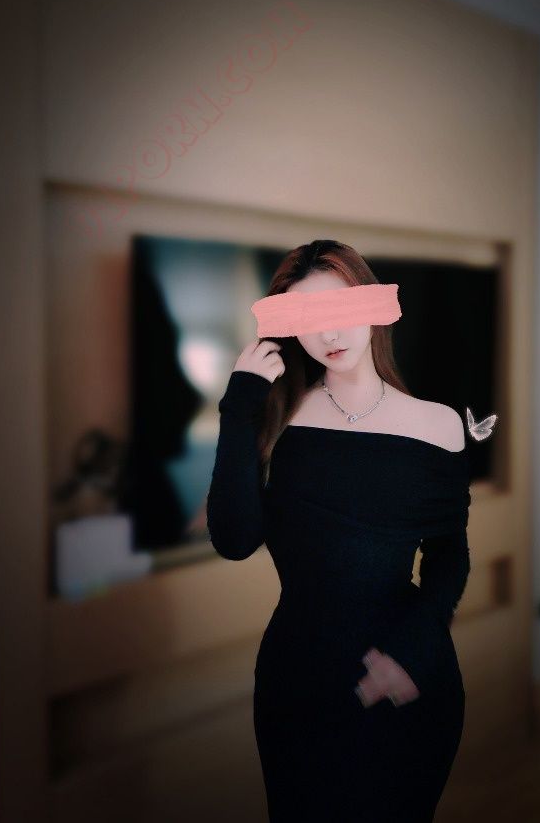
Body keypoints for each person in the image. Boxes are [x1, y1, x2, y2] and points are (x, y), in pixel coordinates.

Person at [206, 239, 472, 822]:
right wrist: (239, 406)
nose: (330, 332)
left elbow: (449, 557)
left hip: (404, 671)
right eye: (309, 317)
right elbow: (233, 539)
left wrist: (413, 651)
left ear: (373, 305)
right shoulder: (277, 419)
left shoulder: (439, 425)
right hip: (297, 680)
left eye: (342, 308)